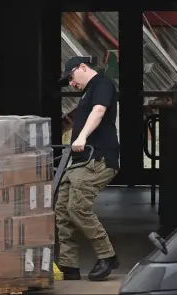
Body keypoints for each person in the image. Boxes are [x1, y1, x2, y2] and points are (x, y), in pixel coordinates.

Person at [56, 56, 120, 282]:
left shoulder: (102, 84)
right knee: (62, 209)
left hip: (98, 157)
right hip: (80, 159)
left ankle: (107, 255)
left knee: (77, 208)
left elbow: (99, 111)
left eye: (71, 77)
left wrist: (82, 136)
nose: (71, 84)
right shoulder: (86, 92)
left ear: (82, 67)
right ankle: (68, 265)